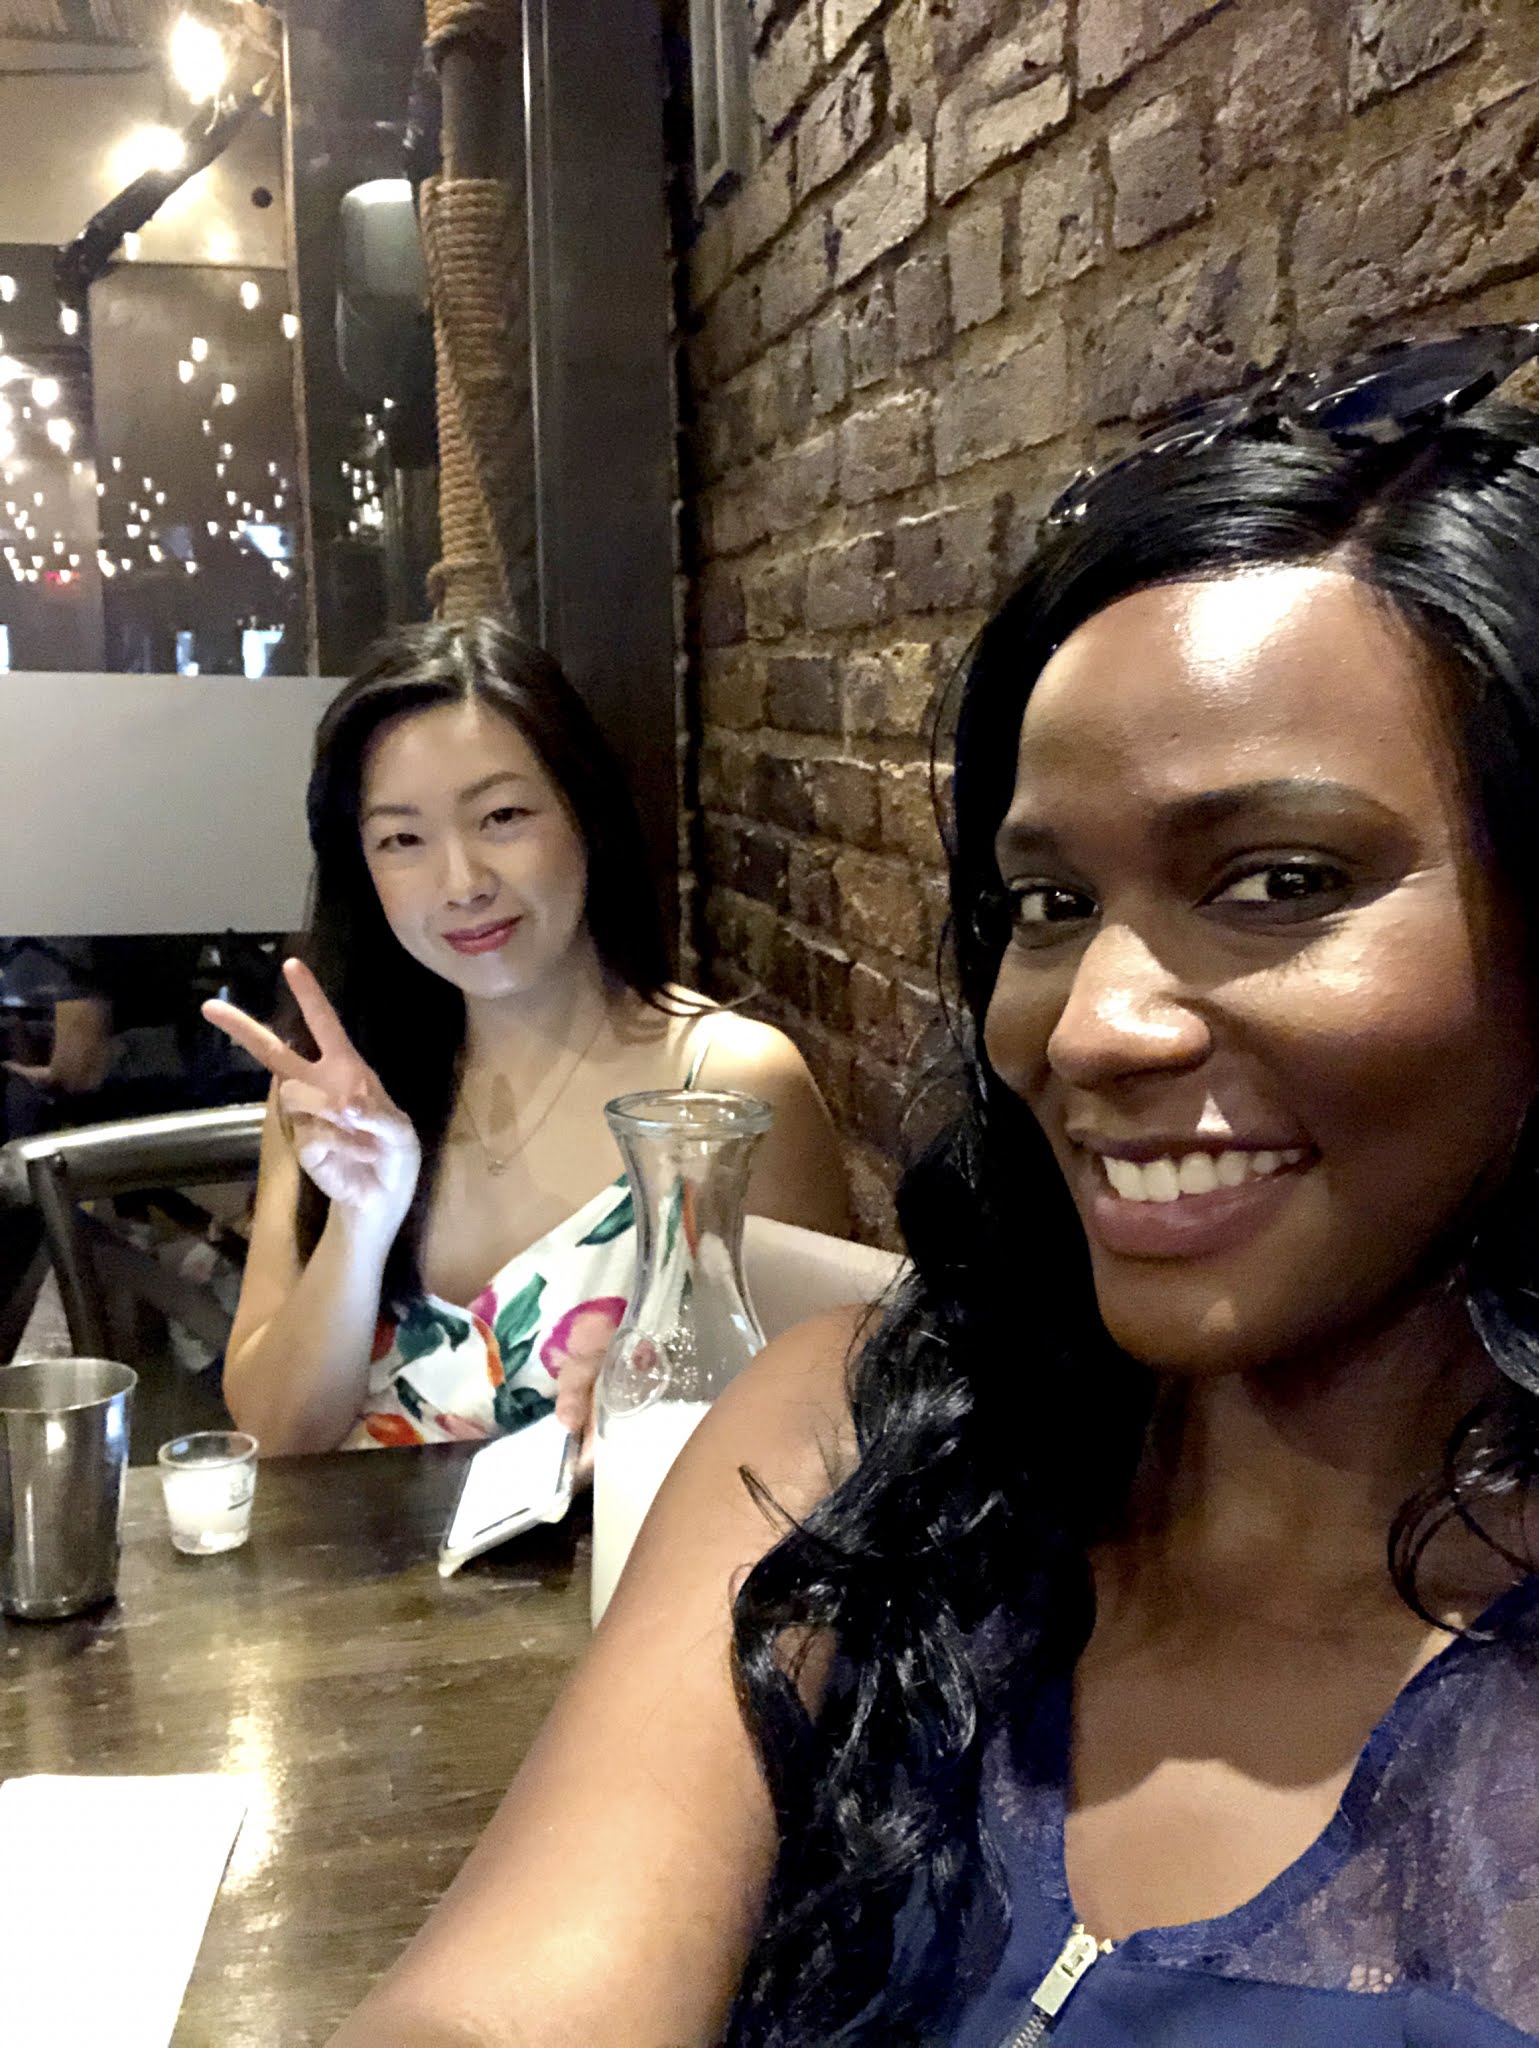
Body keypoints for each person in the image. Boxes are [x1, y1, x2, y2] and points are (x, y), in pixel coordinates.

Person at [324, 324, 1539, 2048]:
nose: (1089, 1025)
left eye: (1276, 879)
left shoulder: (720, 1069)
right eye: (1046, 906)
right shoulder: (853, 1447)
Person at [206, 619, 849, 1455]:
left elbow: (830, 1428)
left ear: (586, 814)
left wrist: (679, 1405)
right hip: (363, 1547)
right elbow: (275, 1438)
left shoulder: (729, 1086)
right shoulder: (339, 1094)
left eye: (502, 816)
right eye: (402, 839)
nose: (462, 883)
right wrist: (358, 1228)